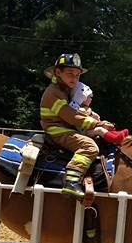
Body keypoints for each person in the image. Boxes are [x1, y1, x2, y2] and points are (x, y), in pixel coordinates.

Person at [40, 53, 117, 198]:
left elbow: (77, 111)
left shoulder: (65, 91)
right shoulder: (53, 92)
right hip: (58, 131)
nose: (74, 79)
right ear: (57, 72)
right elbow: (71, 116)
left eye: (77, 75)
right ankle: (71, 182)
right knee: (89, 147)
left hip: (67, 128)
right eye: (70, 74)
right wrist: (98, 124)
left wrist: (91, 115)